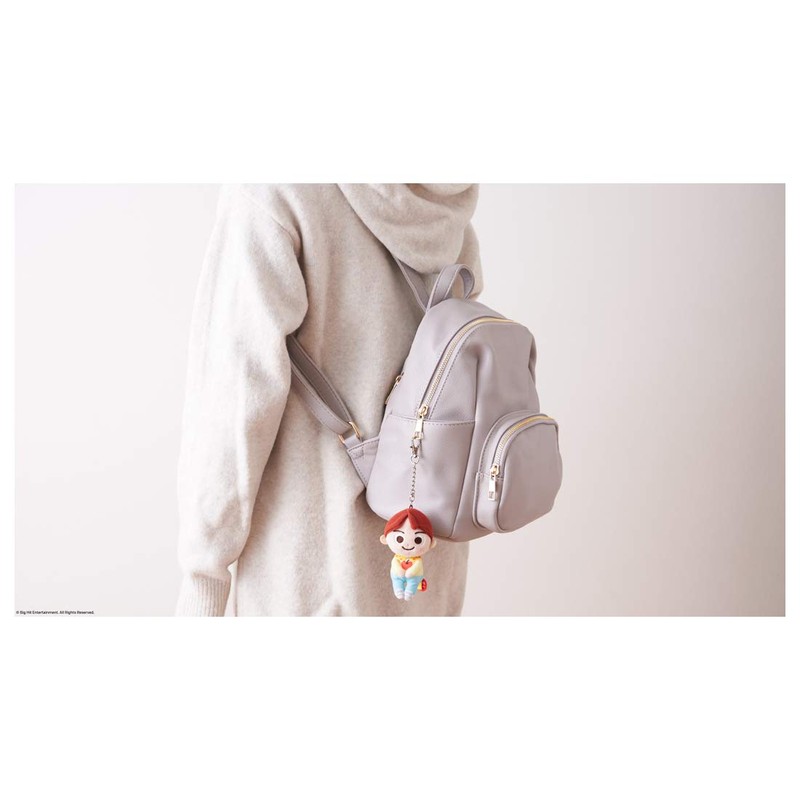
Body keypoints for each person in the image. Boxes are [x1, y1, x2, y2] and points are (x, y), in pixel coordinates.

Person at [175, 184, 482, 616]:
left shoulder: (275, 189)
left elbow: (234, 402)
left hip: (310, 581)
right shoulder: (445, 204)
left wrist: (202, 579)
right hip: (425, 567)